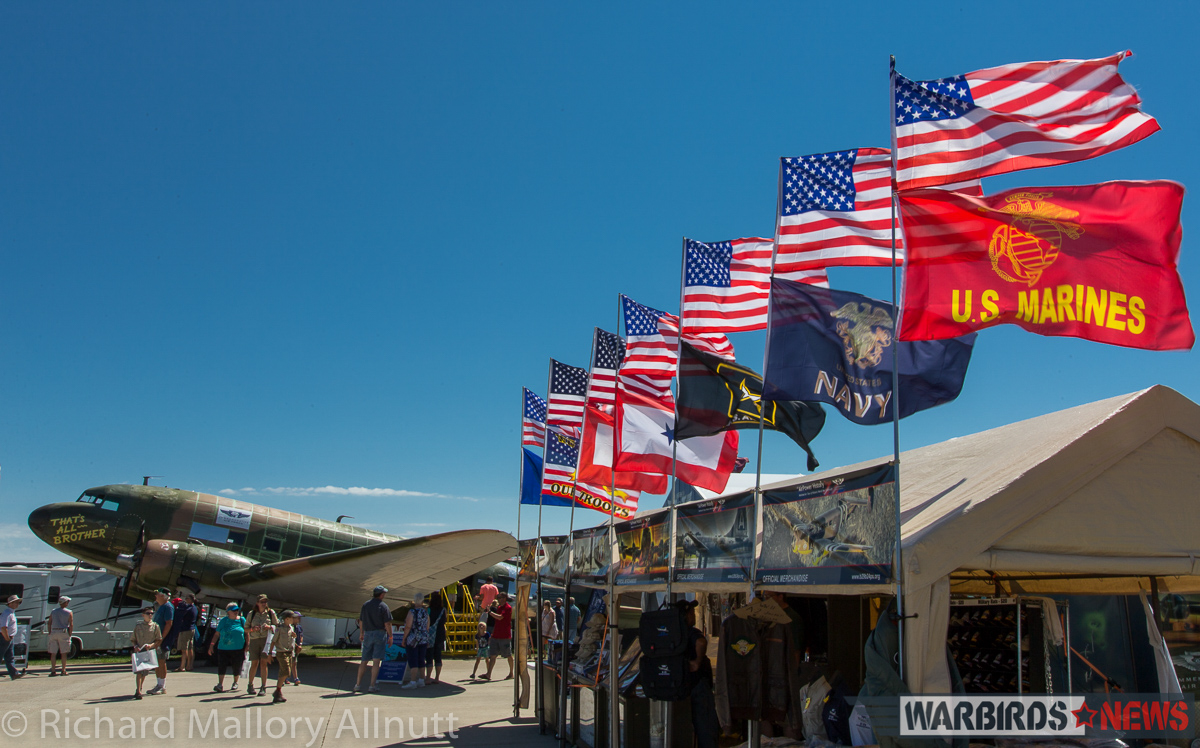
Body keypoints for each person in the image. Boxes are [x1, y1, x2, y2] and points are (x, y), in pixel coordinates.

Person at [677, 599, 718, 748]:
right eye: (691, 613)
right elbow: (701, 642)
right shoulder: (691, 632)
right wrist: (697, 662)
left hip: (679, 686)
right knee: (705, 727)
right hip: (697, 684)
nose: (694, 615)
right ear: (686, 615)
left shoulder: (673, 631)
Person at [352, 585, 392, 693]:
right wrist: (391, 636)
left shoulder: (366, 605)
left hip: (368, 633)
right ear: (381, 594)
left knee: (364, 660)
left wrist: (361, 633)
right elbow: (387, 623)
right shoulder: (383, 606)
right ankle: (372, 685)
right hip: (379, 633)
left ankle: (358, 684)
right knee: (376, 661)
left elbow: (361, 620)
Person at [245, 594, 279, 696]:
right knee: (254, 663)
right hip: (255, 639)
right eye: (261, 602)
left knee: (264, 663)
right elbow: (245, 628)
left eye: (265, 602)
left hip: (266, 640)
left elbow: (277, 627)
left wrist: (269, 627)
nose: (264, 604)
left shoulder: (270, 613)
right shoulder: (252, 614)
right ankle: (250, 685)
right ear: (257, 603)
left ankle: (263, 686)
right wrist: (252, 629)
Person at [145, 588, 174, 695]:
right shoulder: (161, 607)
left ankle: (162, 686)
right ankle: (159, 684)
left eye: (157, 594)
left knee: (161, 662)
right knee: (156, 662)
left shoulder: (168, 607)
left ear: (163, 596)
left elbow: (169, 623)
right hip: (156, 639)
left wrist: (161, 638)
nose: (156, 596)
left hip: (162, 640)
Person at [131, 607, 163, 700]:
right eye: (148, 613)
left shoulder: (155, 626)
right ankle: (138, 691)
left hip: (149, 652)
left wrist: (151, 645)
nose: (150, 615)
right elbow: (133, 639)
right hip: (139, 651)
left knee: (144, 672)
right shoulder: (138, 626)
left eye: (151, 613)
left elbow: (159, 639)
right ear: (143, 615)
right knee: (139, 672)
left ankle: (140, 688)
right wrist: (135, 646)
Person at [401, 593, 430, 690]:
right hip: (423, 638)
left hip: (413, 638)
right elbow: (427, 627)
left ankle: (413, 681)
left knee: (413, 659)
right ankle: (422, 679)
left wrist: (404, 638)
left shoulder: (412, 612)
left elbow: (408, 626)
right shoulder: (425, 612)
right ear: (422, 601)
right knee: (421, 659)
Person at [270, 611, 298, 704]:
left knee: (285, 672)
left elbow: (291, 638)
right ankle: (277, 691)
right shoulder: (280, 629)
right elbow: (274, 641)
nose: (293, 619)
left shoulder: (291, 627)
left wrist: (294, 636)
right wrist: (270, 652)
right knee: (286, 670)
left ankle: (278, 692)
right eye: (292, 618)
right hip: (281, 652)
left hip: (289, 652)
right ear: (286, 619)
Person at [484, 591, 514, 681]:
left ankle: (511, 673)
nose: (499, 600)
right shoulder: (499, 607)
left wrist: (490, 612)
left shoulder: (507, 608)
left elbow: (500, 617)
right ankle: (488, 674)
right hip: (496, 635)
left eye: (500, 598)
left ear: (504, 598)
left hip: (504, 636)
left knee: (508, 654)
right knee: (493, 655)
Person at [47, 595, 73, 677]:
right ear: (65, 603)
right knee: (64, 653)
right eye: (67, 602)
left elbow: (49, 622)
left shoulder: (53, 611)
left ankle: (53, 670)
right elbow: (71, 624)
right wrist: (70, 634)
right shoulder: (69, 612)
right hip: (63, 631)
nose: (68, 603)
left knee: (53, 653)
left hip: (54, 631)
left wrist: (49, 631)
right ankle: (63, 670)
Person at [171, 594, 198, 672]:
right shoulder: (194, 608)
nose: (185, 599)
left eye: (187, 598)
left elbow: (181, 614)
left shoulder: (189, 608)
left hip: (185, 630)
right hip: (192, 629)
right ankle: (189, 665)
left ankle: (182, 666)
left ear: (191, 599)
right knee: (190, 648)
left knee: (184, 649)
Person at [1, 594, 23, 680]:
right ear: (10, 603)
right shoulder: (7, 613)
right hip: (4, 637)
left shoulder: (11, 613)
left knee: (9, 657)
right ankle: (14, 673)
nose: (18, 604)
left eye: (18, 602)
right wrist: (6, 637)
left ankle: (14, 674)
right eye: (16, 602)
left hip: (9, 637)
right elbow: (3, 627)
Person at [427, 593, 447, 684]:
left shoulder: (428, 610)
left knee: (429, 656)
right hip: (440, 634)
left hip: (430, 635)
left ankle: (427, 678)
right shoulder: (443, 610)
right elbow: (444, 621)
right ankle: (437, 677)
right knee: (438, 656)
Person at [288, 612, 304, 685]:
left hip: (297, 647)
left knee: (294, 663)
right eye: (297, 617)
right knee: (288, 662)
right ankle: (287, 677)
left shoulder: (299, 627)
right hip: (290, 646)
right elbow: (290, 638)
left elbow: (301, 636)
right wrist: (296, 645)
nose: (299, 619)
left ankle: (295, 678)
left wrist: (300, 645)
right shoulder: (289, 627)